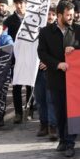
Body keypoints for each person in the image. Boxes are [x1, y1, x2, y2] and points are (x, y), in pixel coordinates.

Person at [37, 1, 80, 158]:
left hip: (74, 80)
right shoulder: (45, 32)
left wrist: (76, 49)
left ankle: (70, 143)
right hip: (55, 78)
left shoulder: (79, 30)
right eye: (68, 15)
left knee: (71, 112)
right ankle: (63, 140)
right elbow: (42, 53)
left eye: (72, 15)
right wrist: (57, 64)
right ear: (59, 15)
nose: (72, 17)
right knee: (59, 112)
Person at [5, 0, 32, 124]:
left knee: (30, 85)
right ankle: (18, 113)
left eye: (22, 3)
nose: (20, 6)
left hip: (30, 55)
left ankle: (29, 109)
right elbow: (5, 38)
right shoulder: (9, 21)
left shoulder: (32, 18)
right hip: (16, 57)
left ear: (26, 3)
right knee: (16, 86)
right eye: (17, 3)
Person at [34, 8, 58, 141]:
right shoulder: (34, 29)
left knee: (51, 99)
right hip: (37, 71)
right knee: (40, 98)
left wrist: (48, 63)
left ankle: (52, 125)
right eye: (48, 14)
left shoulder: (56, 31)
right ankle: (43, 123)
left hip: (51, 69)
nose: (50, 17)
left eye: (53, 14)